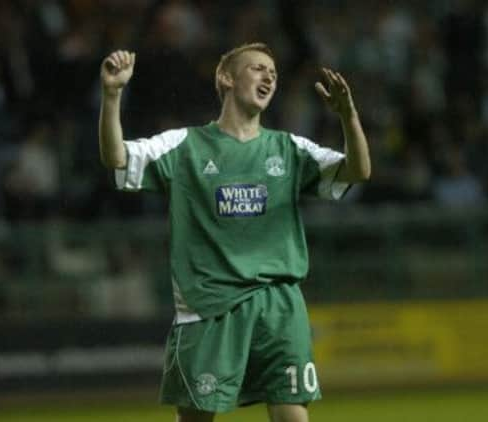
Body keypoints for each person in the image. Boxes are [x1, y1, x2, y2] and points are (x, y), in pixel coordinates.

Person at [98, 43, 370, 422]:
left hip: (279, 304)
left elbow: (357, 172)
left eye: (273, 73)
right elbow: (118, 159)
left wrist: (349, 117)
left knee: (293, 415)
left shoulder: (289, 148)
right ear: (226, 78)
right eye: (258, 68)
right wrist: (112, 95)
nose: (269, 76)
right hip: (210, 304)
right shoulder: (184, 145)